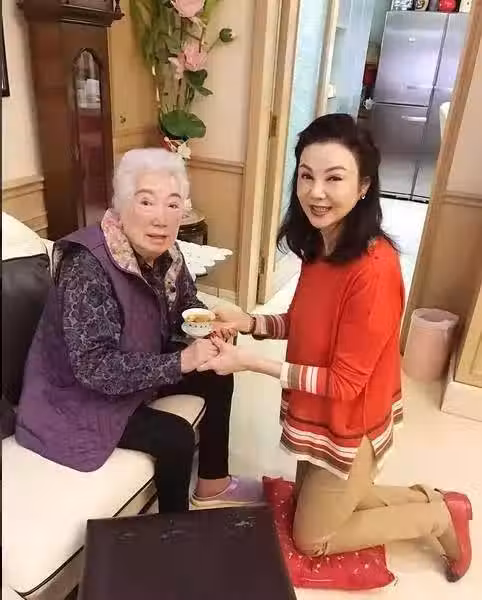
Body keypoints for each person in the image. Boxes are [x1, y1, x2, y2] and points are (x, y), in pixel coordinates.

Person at [200, 114, 472, 582]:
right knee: (323, 503)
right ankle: (435, 500)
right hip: (317, 413)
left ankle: (439, 516)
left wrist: (248, 362)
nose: (316, 192)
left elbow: (345, 383)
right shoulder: (320, 245)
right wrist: (249, 321)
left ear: (364, 186)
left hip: (351, 423)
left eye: (334, 178)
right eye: (307, 176)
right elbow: (302, 324)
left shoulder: (375, 269)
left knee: (312, 538)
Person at [15, 148, 261, 513]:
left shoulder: (168, 254)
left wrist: (209, 325)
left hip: (136, 369)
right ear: (121, 205)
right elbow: (94, 368)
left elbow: (185, 305)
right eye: (146, 201)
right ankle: (174, 534)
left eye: (172, 204)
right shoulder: (87, 265)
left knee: (218, 375)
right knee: (175, 437)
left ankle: (213, 484)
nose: (161, 218)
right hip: (76, 396)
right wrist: (180, 362)